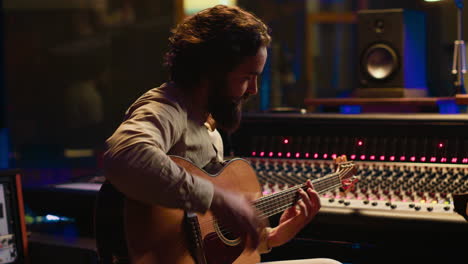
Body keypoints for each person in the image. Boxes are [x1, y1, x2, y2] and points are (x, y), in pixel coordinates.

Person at [103, 5, 341, 264]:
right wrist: (217, 200)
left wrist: (275, 236)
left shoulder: (209, 125)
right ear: (210, 72)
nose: (254, 89)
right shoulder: (166, 108)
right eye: (247, 77)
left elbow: (212, 246)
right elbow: (125, 154)